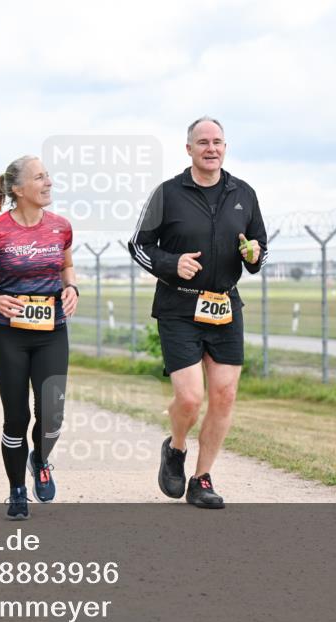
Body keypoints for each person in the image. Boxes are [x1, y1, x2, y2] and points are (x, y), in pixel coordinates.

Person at [128, 116, 267, 510]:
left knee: (224, 395)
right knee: (190, 399)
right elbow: (139, 245)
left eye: (218, 141)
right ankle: (175, 448)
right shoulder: (167, 194)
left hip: (224, 305)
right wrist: (172, 264)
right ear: (188, 148)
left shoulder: (244, 193)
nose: (211, 148)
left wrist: (254, 255)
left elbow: (259, 246)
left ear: (226, 147)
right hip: (179, 306)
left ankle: (202, 479)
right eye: (202, 142)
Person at [0, 157, 78, 520]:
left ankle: (41, 459)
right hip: (9, 334)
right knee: (15, 417)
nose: (48, 182)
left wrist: (71, 288)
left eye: (48, 176)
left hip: (52, 331)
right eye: (40, 177)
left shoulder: (61, 227)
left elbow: (66, 266)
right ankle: (16, 490)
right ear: (18, 189)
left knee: (52, 414)